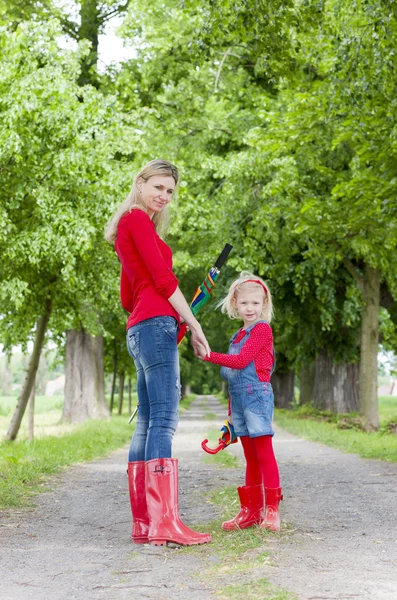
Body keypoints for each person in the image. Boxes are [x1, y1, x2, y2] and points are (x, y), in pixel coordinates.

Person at [105, 159, 211, 547]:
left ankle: (144, 523)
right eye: (159, 187)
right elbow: (165, 282)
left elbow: (125, 297)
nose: (164, 196)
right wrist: (194, 325)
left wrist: (158, 314)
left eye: (170, 191)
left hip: (140, 327)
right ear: (140, 182)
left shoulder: (129, 227)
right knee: (163, 420)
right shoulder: (136, 220)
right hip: (154, 326)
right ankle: (164, 522)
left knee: (147, 421)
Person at [198, 271, 282, 531]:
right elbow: (232, 380)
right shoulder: (237, 336)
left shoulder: (262, 330)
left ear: (264, 305)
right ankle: (251, 512)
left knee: (264, 453)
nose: (250, 308)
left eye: (256, 303)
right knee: (250, 457)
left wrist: (209, 355)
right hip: (239, 401)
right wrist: (231, 412)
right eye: (245, 303)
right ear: (235, 303)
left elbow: (242, 362)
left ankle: (272, 512)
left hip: (257, 398)